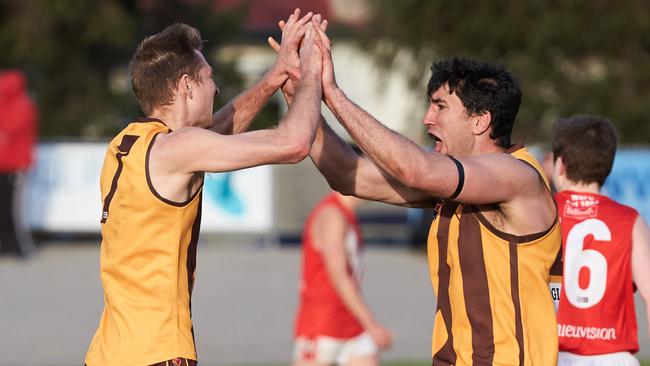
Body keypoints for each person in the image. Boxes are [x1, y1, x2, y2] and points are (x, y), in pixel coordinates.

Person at [271, 19, 563, 365]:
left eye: (440, 106)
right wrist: (300, 91)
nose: (427, 118)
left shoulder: (516, 176)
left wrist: (332, 93)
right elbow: (347, 175)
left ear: (480, 120)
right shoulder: (454, 188)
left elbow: (415, 168)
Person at [85, 11, 325, 366]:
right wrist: (313, 75)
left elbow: (215, 134)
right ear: (185, 85)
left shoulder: (127, 144)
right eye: (208, 78)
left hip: (107, 352)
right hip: (158, 352)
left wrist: (275, 76)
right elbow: (295, 143)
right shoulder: (177, 149)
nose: (214, 88)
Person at [551, 115, 650, 366]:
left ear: (560, 164)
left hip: (552, 355)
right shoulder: (630, 221)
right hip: (614, 358)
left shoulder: (542, 214)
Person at [294, 191, 392, 366]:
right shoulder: (332, 215)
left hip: (352, 324)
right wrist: (372, 325)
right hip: (322, 324)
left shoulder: (348, 216)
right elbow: (338, 275)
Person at [0, 69, 37, 258]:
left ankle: (20, 246)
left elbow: (12, 129)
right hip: (7, 163)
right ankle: (7, 244)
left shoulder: (21, 105)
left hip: (15, 165)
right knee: (7, 207)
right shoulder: (19, 103)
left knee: (15, 210)